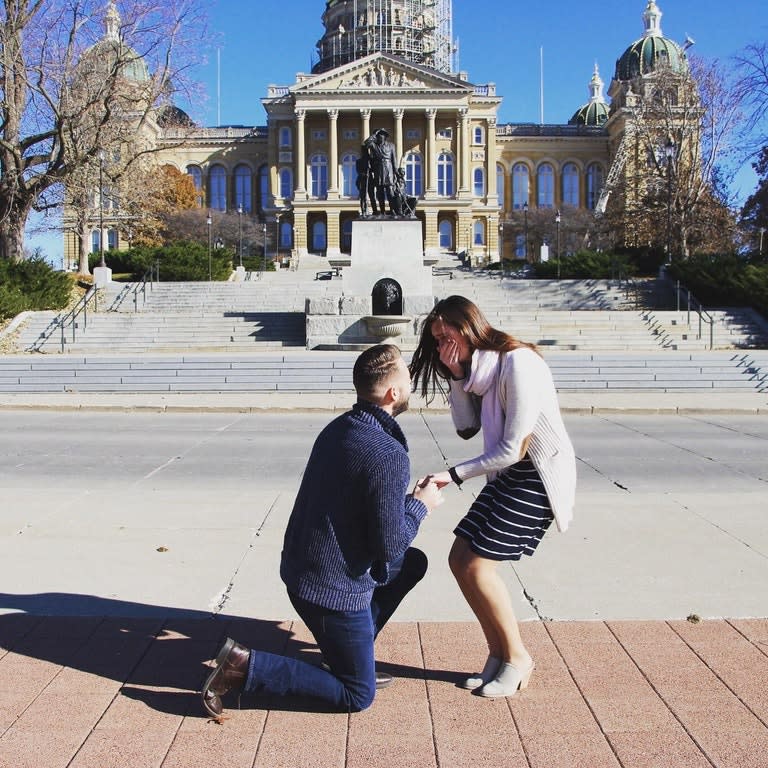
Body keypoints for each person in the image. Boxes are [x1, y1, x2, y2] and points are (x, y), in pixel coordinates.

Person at [201, 344, 443, 717]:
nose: (412, 382)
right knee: (357, 695)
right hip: (332, 594)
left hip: (303, 575)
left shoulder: (340, 428)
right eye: (408, 377)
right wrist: (420, 505)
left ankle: (345, 651)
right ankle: (246, 666)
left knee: (412, 563)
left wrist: (401, 503)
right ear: (393, 393)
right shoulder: (388, 453)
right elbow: (389, 542)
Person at [409, 296, 576, 698]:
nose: (442, 346)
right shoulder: (479, 372)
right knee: (459, 559)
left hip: (535, 474)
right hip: (508, 474)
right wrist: (453, 373)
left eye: (447, 337)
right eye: (436, 340)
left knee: (479, 566)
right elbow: (466, 428)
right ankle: (498, 654)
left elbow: (514, 447)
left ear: (468, 329)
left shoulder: (518, 363)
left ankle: (518, 658)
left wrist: (451, 475)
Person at [363, 128, 398, 215]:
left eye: (382, 134)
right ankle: (382, 211)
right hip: (378, 170)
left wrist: (396, 171)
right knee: (380, 192)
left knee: (390, 191)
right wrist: (374, 134)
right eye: (379, 135)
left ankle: (393, 209)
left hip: (388, 169)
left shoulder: (391, 145)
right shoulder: (374, 145)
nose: (380, 136)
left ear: (385, 136)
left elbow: (394, 160)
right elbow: (366, 143)